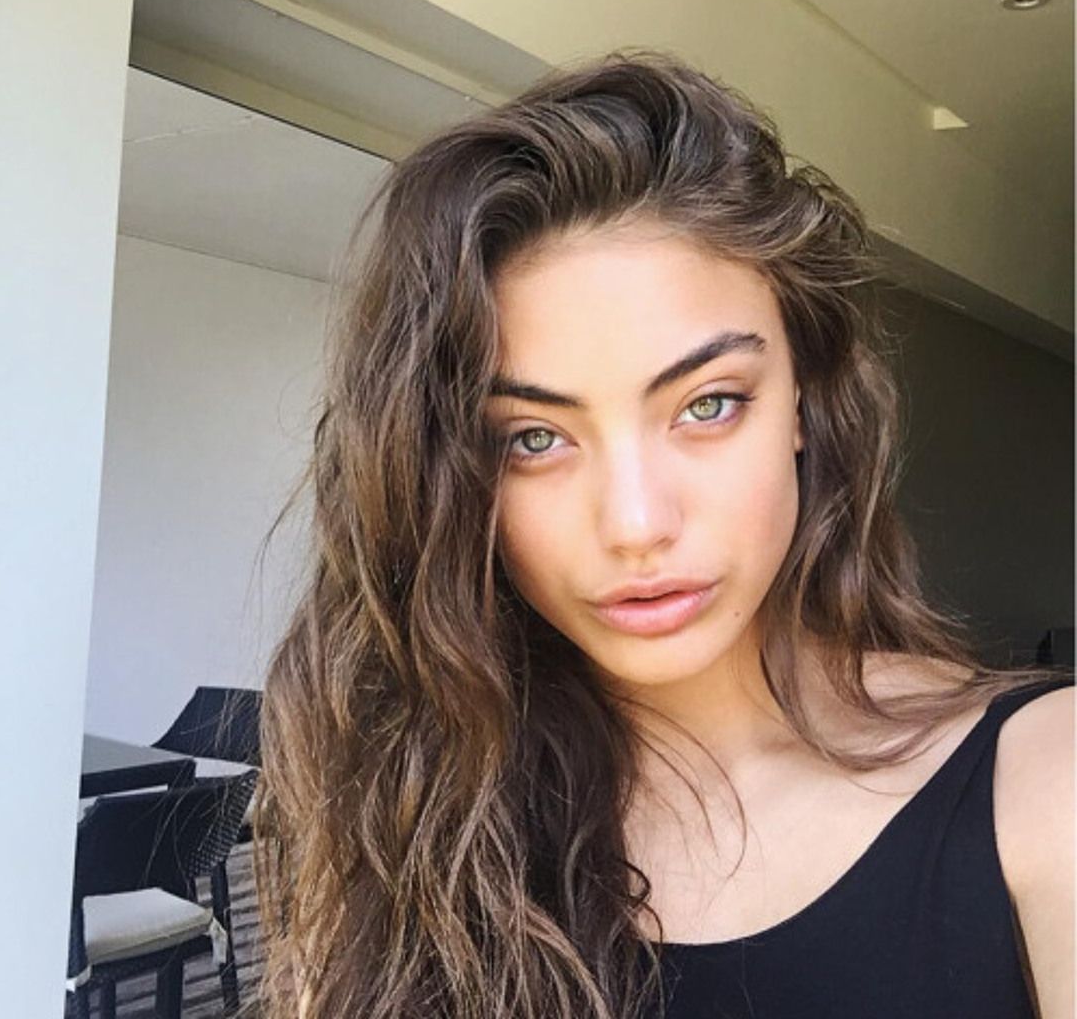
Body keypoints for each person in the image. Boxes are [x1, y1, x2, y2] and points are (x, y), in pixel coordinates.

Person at [254, 54, 1073, 1019]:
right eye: (532, 438)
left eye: (708, 404)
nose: (637, 524)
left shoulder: (1044, 786)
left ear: (803, 404)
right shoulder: (400, 813)